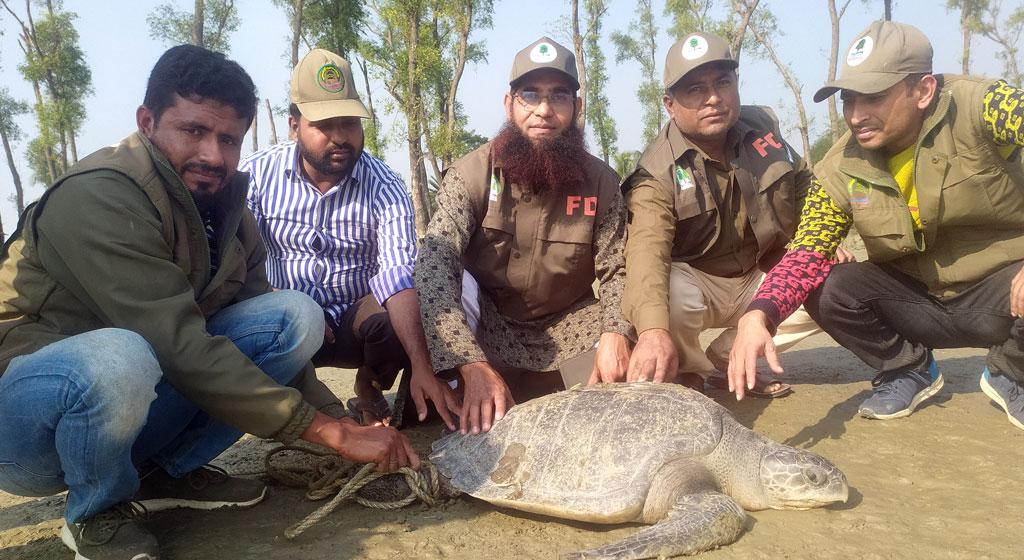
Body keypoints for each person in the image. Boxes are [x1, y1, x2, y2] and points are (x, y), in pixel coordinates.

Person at [0, 45, 418, 560]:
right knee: (120, 355)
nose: (213, 155)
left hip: (130, 389)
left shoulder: (227, 210)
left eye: (228, 139)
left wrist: (342, 425)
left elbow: (258, 324)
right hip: (24, 419)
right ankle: (93, 509)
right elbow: (177, 343)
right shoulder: (99, 194)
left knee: (294, 316)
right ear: (147, 122)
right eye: (192, 131)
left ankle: (161, 475)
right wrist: (330, 432)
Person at [728, 20, 1024, 431]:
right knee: (826, 283)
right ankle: (908, 369)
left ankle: (1012, 372)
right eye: (849, 100)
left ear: (923, 90)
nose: (856, 115)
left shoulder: (985, 104)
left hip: (1004, 294)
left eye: (874, 98)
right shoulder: (840, 165)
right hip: (918, 301)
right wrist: (758, 315)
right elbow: (807, 251)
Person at [415, 37, 633, 435]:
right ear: (509, 105)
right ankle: (471, 379)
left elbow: (618, 268)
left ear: (576, 107)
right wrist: (469, 362)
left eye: (559, 96)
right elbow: (434, 264)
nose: (544, 110)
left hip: (571, 326)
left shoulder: (601, 182)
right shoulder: (471, 175)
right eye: (530, 95)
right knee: (446, 280)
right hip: (489, 326)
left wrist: (616, 332)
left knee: (610, 415)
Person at [242, 48, 456, 429]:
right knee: (259, 313)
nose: (341, 137)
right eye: (325, 124)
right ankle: (292, 402)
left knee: (410, 304)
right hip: (287, 317)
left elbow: (397, 275)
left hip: (357, 316)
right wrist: (279, 300)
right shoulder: (256, 178)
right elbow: (237, 260)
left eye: (350, 123)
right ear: (294, 125)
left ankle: (370, 386)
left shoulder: (385, 185)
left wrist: (423, 367)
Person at [622, 31, 838, 397]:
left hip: (761, 271)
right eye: (694, 89)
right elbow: (647, 253)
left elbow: (805, 188)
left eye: (723, 82)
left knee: (829, 277)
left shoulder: (764, 129)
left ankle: (727, 359)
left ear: (737, 84)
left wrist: (822, 243)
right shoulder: (656, 171)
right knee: (662, 295)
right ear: (670, 105)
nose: (713, 98)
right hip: (699, 284)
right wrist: (653, 333)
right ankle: (689, 372)